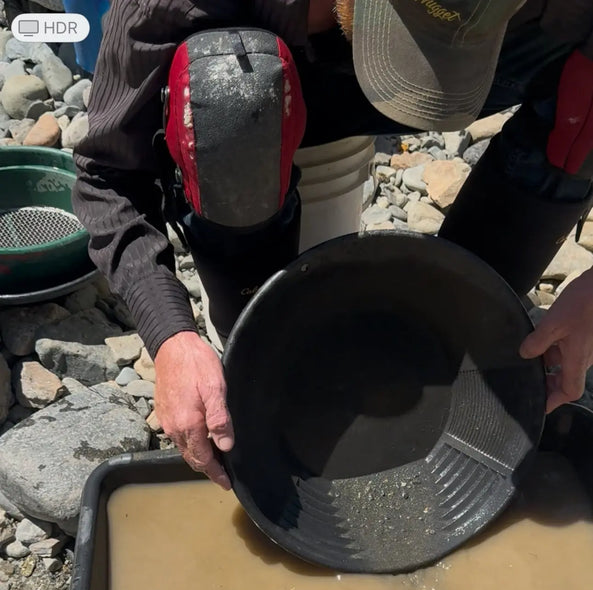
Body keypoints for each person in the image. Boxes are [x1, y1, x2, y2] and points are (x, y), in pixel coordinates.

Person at [72, 0, 593, 490]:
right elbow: (107, 175)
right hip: (271, 80)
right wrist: (171, 340)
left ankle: (461, 326)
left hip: (509, 64)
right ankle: (260, 341)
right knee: (228, 87)